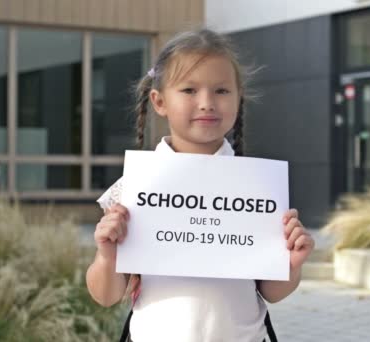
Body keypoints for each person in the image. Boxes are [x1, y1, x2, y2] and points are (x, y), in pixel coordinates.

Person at [86, 28, 315, 342]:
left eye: (221, 91)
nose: (207, 102)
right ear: (159, 101)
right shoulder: (133, 189)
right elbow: (105, 295)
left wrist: (291, 264)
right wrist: (107, 256)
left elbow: (271, 292)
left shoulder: (258, 189)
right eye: (189, 90)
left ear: (239, 98)